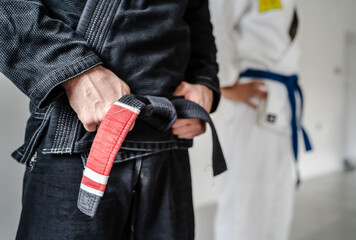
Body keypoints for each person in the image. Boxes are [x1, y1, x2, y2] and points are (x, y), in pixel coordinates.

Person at [0, 0, 224, 239]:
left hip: (168, 136)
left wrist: (203, 79)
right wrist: (74, 71)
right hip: (79, 140)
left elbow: (196, 12)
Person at [210, 0, 311, 239]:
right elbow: (215, 26)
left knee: (278, 194)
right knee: (243, 195)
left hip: (283, 100)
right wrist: (224, 85)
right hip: (252, 99)